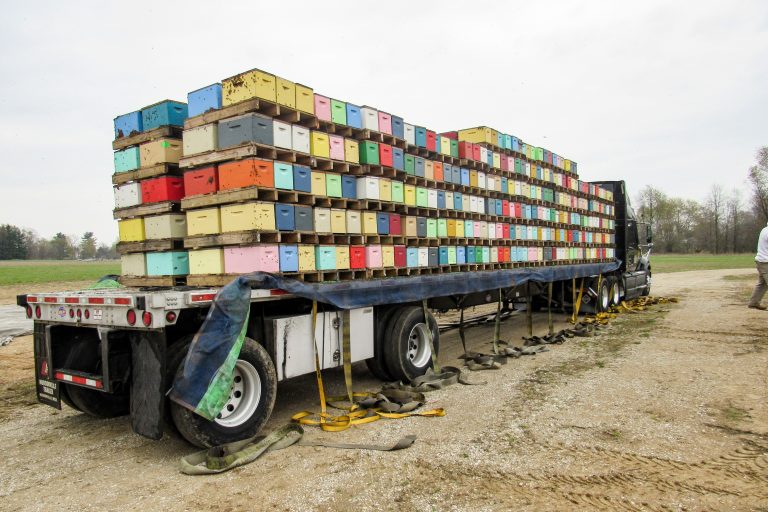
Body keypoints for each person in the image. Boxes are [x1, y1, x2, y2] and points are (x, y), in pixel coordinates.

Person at [747, 221, 768, 310]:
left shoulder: (764, 229)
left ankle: (753, 302)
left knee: (762, 283)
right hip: (765, 262)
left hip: (760, 260)